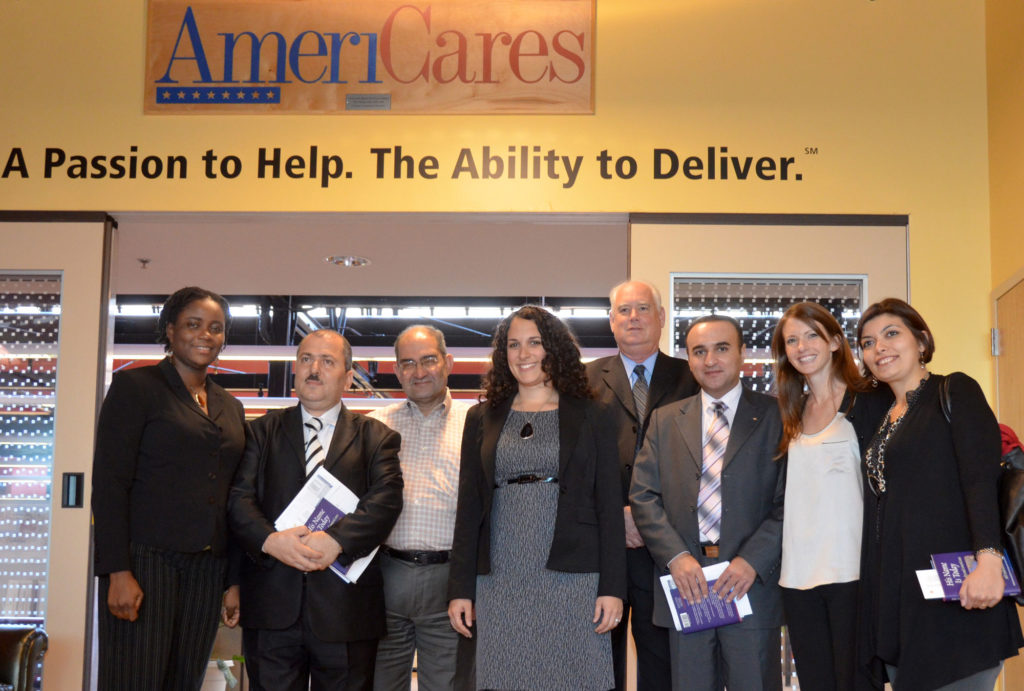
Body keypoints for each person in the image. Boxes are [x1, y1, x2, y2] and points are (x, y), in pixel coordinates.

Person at [448, 305, 626, 690]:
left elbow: (610, 507)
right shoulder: (481, 418)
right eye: (513, 345)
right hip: (500, 575)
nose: (523, 354)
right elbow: (469, 510)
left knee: (575, 677)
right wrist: (460, 589)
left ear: (555, 349)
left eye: (534, 343)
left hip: (574, 574)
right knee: (505, 676)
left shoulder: (593, 414)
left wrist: (613, 587)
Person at [856, 298, 1023, 690]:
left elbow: (978, 481)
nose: (879, 347)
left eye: (891, 334)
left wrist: (988, 563)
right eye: (867, 342)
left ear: (921, 340)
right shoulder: (883, 415)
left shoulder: (954, 391)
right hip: (902, 598)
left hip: (958, 592)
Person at [228, 329, 403, 691]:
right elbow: (238, 499)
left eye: (327, 361)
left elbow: (386, 501)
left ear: (349, 377)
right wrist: (270, 540)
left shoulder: (377, 438)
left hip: (346, 614)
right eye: (306, 359)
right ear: (295, 370)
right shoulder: (259, 433)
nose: (314, 368)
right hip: (272, 606)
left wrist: (337, 541)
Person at [92, 286, 247, 690]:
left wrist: (233, 579)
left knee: (186, 681)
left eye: (216, 328)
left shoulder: (231, 407)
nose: (205, 335)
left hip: (207, 568)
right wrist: (116, 572)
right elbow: (110, 484)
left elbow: (231, 494)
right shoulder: (135, 388)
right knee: (135, 679)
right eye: (194, 324)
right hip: (144, 564)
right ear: (170, 329)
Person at [630, 314, 784, 691]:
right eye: (699, 351)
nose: (710, 360)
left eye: (721, 348)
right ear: (688, 357)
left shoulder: (778, 416)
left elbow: (790, 502)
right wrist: (675, 558)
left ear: (742, 353)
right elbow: (644, 496)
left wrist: (752, 561)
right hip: (689, 585)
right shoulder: (665, 421)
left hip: (749, 585)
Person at [770, 302, 890, 691]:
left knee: (856, 683)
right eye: (791, 340)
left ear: (835, 341)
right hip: (798, 576)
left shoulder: (870, 401)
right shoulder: (791, 412)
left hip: (852, 571)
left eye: (811, 335)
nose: (801, 346)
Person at [586, 279, 698, 691]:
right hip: (602, 548)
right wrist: (617, 515)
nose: (634, 318)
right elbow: (577, 466)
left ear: (661, 318)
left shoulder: (690, 377)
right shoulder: (582, 382)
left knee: (664, 663)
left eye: (643, 309)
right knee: (598, 661)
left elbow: (700, 464)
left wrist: (647, 518)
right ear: (611, 321)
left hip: (668, 548)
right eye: (624, 310)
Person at [368, 325, 472, 691]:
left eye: (428, 360)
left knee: (445, 684)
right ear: (397, 372)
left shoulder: (477, 423)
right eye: (408, 363)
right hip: (385, 577)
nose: (419, 371)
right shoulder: (376, 425)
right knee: (380, 682)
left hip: (450, 581)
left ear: (449, 363)